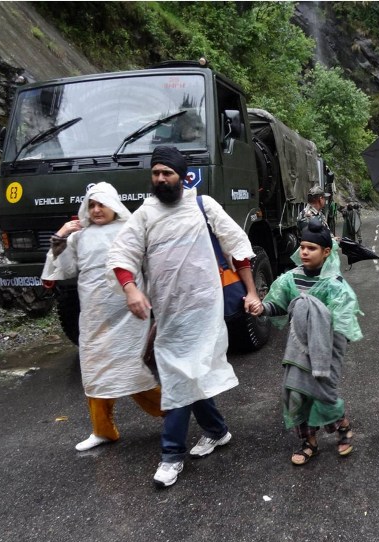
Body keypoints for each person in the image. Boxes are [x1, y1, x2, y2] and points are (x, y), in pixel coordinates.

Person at [106, 146, 262, 488]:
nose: (160, 179)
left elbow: (239, 246)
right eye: (156, 173)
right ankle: (217, 430)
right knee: (188, 375)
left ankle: (171, 456)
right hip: (168, 313)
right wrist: (131, 289)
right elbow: (121, 254)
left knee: (178, 380)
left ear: (181, 176)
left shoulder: (204, 207)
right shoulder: (145, 214)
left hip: (204, 310)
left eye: (167, 173)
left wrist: (251, 292)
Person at [41, 182, 163, 452]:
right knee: (95, 371)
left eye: (101, 204)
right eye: (91, 205)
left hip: (129, 313)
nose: (96, 210)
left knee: (130, 369)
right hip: (94, 316)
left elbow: (150, 267)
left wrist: (154, 301)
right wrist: (60, 237)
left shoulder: (131, 230)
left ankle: (172, 413)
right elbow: (63, 269)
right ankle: (103, 430)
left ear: (114, 206)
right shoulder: (78, 236)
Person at [249, 220, 363, 465]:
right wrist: (261, 308)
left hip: (326, 349)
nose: (304, 252)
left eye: (311, 248)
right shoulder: (291, 279)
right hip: (299, 348)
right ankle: (309, 442)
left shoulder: (335, 285)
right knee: (298, 393)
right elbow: (277, 305)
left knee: (324, 393)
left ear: (326, 252)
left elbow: (343, 323)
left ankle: (342, 425)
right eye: (302, 247)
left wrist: (331, 353)